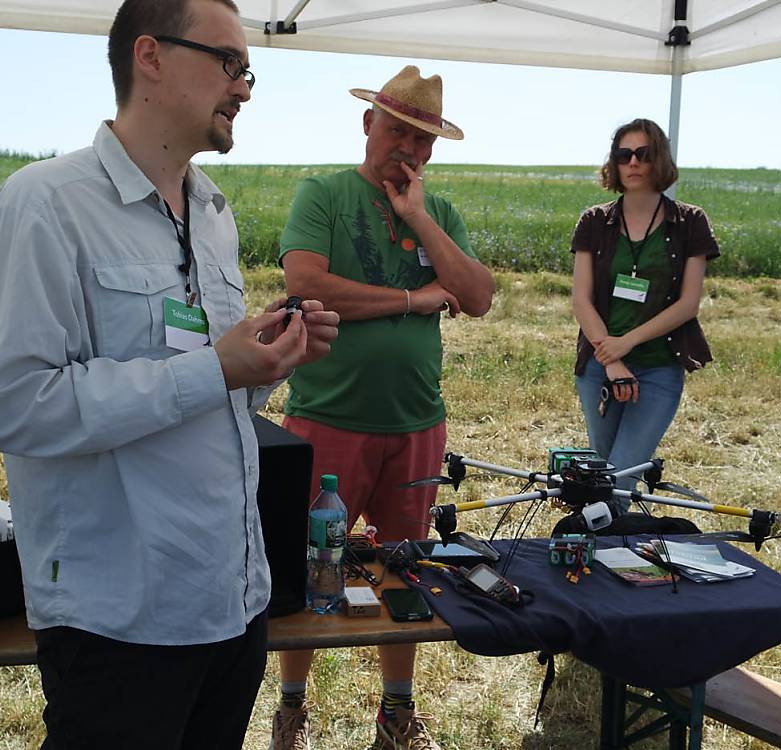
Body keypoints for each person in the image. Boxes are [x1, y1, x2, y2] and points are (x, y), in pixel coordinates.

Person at [0, 1, 338, 748]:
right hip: (120, 621)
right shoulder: (46, 203)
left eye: (249, 70)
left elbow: (212, 386)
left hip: (231, 603)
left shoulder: (211, 212)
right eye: (230, 64)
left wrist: (267, 358)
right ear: (151, 57)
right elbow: (16, 407)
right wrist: (213, 369)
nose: (244, 87)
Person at [271, 65, 495, 750]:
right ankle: (291, 710)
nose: (410, 148)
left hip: (416, 426)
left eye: (423, 139)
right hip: (325, 419)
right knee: (311, 569)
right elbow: (308, 285)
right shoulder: (324, 194)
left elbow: (478, 295)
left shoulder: (438, 213)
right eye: (399, 129)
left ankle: (397, 714)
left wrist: (419, 217)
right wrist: (414, 298)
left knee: (409, 572)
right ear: (368, 123)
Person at [571, 118, 718, 511]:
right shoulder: (594, 221)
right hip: (601, 367)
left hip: (657, 367)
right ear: (614, 163)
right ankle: (609, 556)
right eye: (624, 155)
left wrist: (629, 343)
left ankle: (603, 555)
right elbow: (580, 301)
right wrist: (613, 357)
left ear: (659, 160)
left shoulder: (690, 222)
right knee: (602, 477)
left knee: (620, 479)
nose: (633, 162)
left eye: (643, 154)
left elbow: (688, 304)